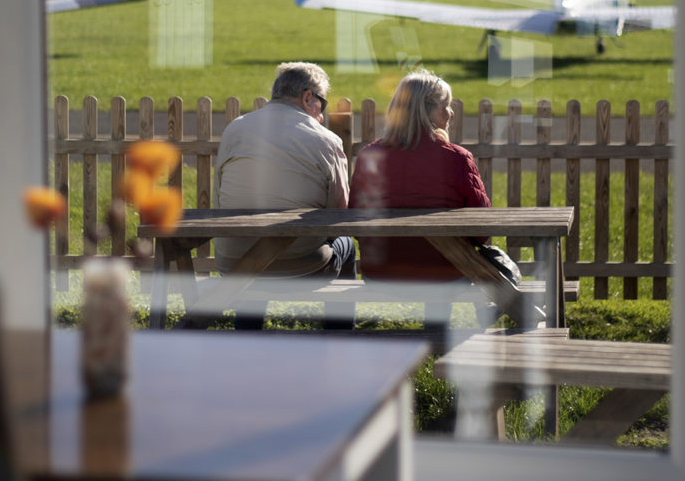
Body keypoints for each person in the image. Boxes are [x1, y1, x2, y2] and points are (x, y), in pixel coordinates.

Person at [348, 68, 500, 326]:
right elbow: (481, 230)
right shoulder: (457, 158)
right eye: (446, 106)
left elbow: (356, 219)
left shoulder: (370, 156)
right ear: (426, 111)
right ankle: (436, 339)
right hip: (445, 274)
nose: (451, 113)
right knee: (445, 259)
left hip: (381, 273)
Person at [213, 61, 355, 328]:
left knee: (254, 250)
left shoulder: (235, 129)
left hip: (233, 264)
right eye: (322, 104)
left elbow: (218, 196)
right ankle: (340, 338)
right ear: (307, 97)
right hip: (301, 267)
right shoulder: (326, 140)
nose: (322, 116)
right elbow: (339, 215)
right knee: (347, 245)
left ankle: (247, 336)